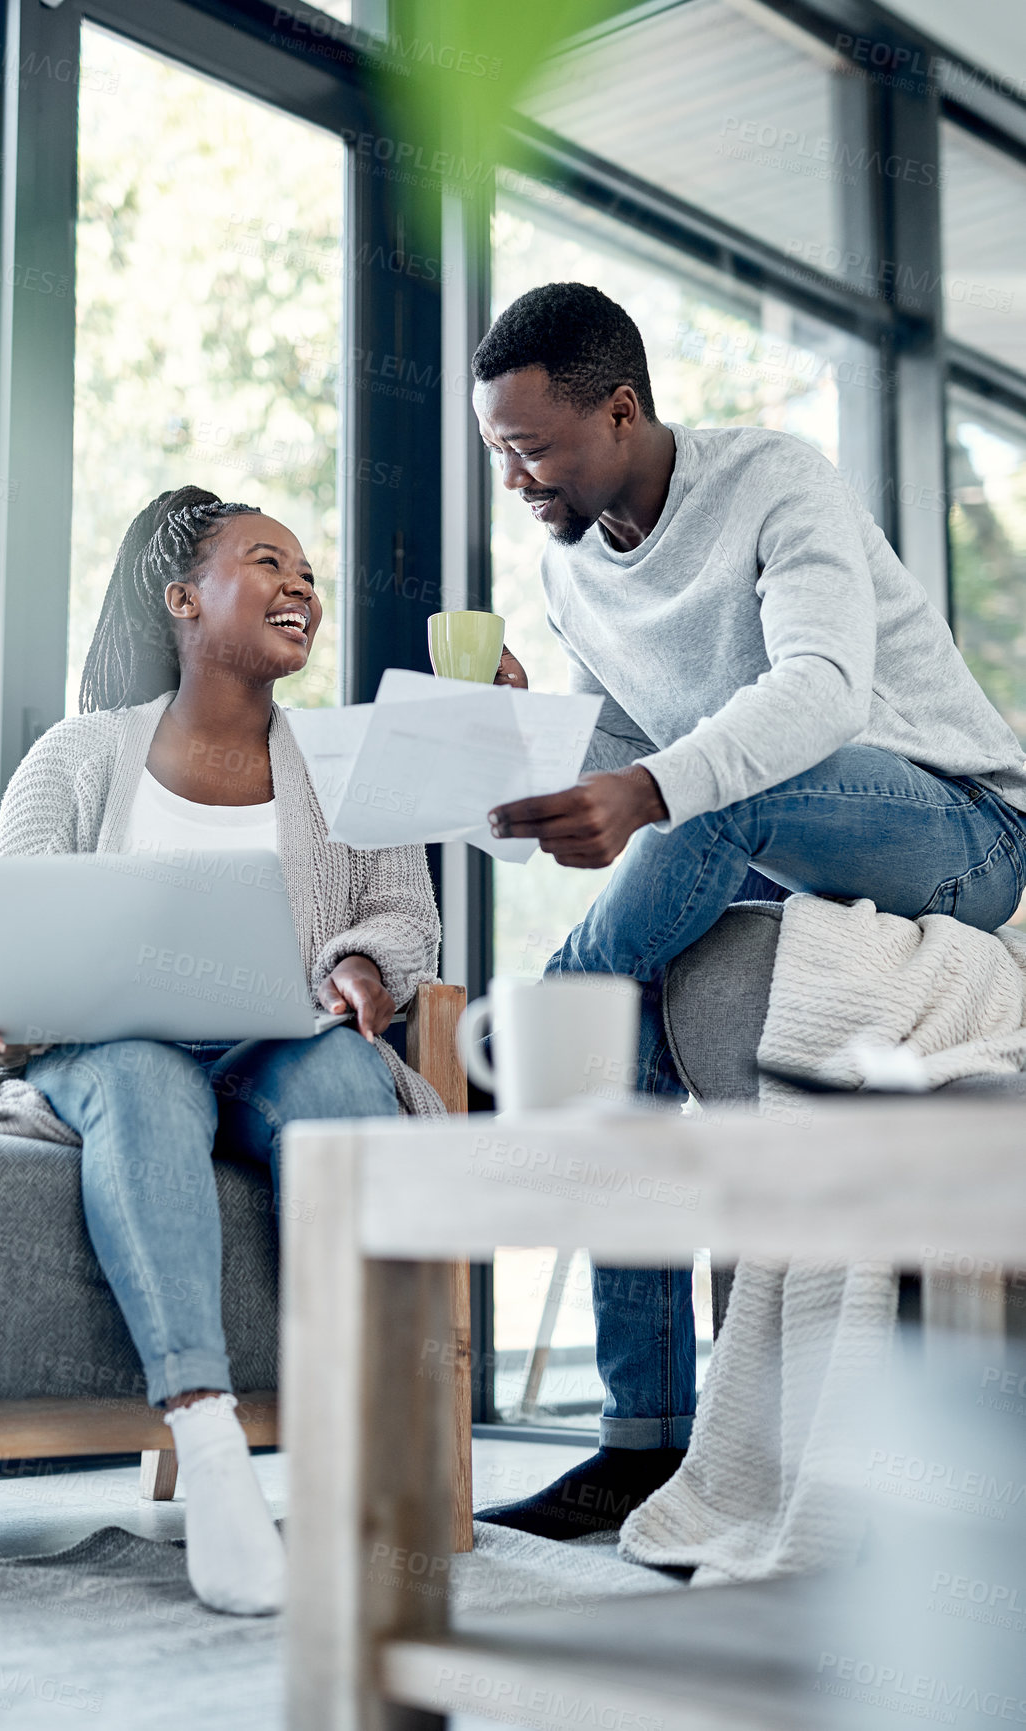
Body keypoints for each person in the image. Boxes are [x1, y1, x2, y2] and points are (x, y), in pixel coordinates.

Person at [469, 281, 1026, 1540]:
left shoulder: (776, 479)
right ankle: (642, 1442)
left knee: (710, 807)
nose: (516, 478)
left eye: (533, 447)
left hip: (962, 830)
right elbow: (620, 744)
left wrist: (650, 793)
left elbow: (822, 691)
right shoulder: (574, 574)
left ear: (620, 412)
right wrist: (520, 741)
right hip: (767, 843)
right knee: (626, 1045)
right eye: (498, 450)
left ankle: (541, 1020)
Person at [0, 486, 444, 1612]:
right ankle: (213, 1454)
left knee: (336, 1076)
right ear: (181, 599)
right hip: (106, 1049)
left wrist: (363, 969)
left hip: (277, 1044)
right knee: (143, 1074)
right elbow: (6, 949)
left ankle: (369, 1446)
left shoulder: (345, 767)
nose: (302, 588)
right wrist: (16, 1005)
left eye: (309, 573)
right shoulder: (79, 757)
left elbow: (404, 919)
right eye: (269, 563)